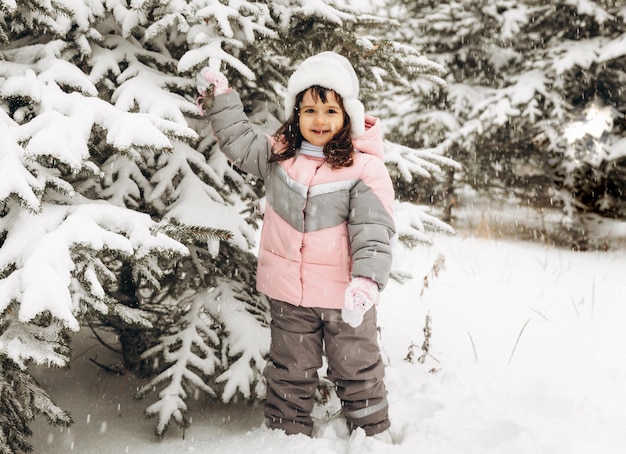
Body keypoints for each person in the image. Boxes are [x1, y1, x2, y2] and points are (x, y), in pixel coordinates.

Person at [196, 51, 395, 440]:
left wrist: (367, 282)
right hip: (290, 297)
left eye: (330, 112)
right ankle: (287, 437)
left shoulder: (364, 167)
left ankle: (372, 436)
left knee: (357, 368)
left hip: (345, 298)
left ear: (347, 116)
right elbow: (238, 140)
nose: (319, 121)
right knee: (290, 371)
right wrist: (221, 99)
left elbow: (374, 228)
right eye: (309, 111)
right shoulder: (278, 155)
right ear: (296, 114)